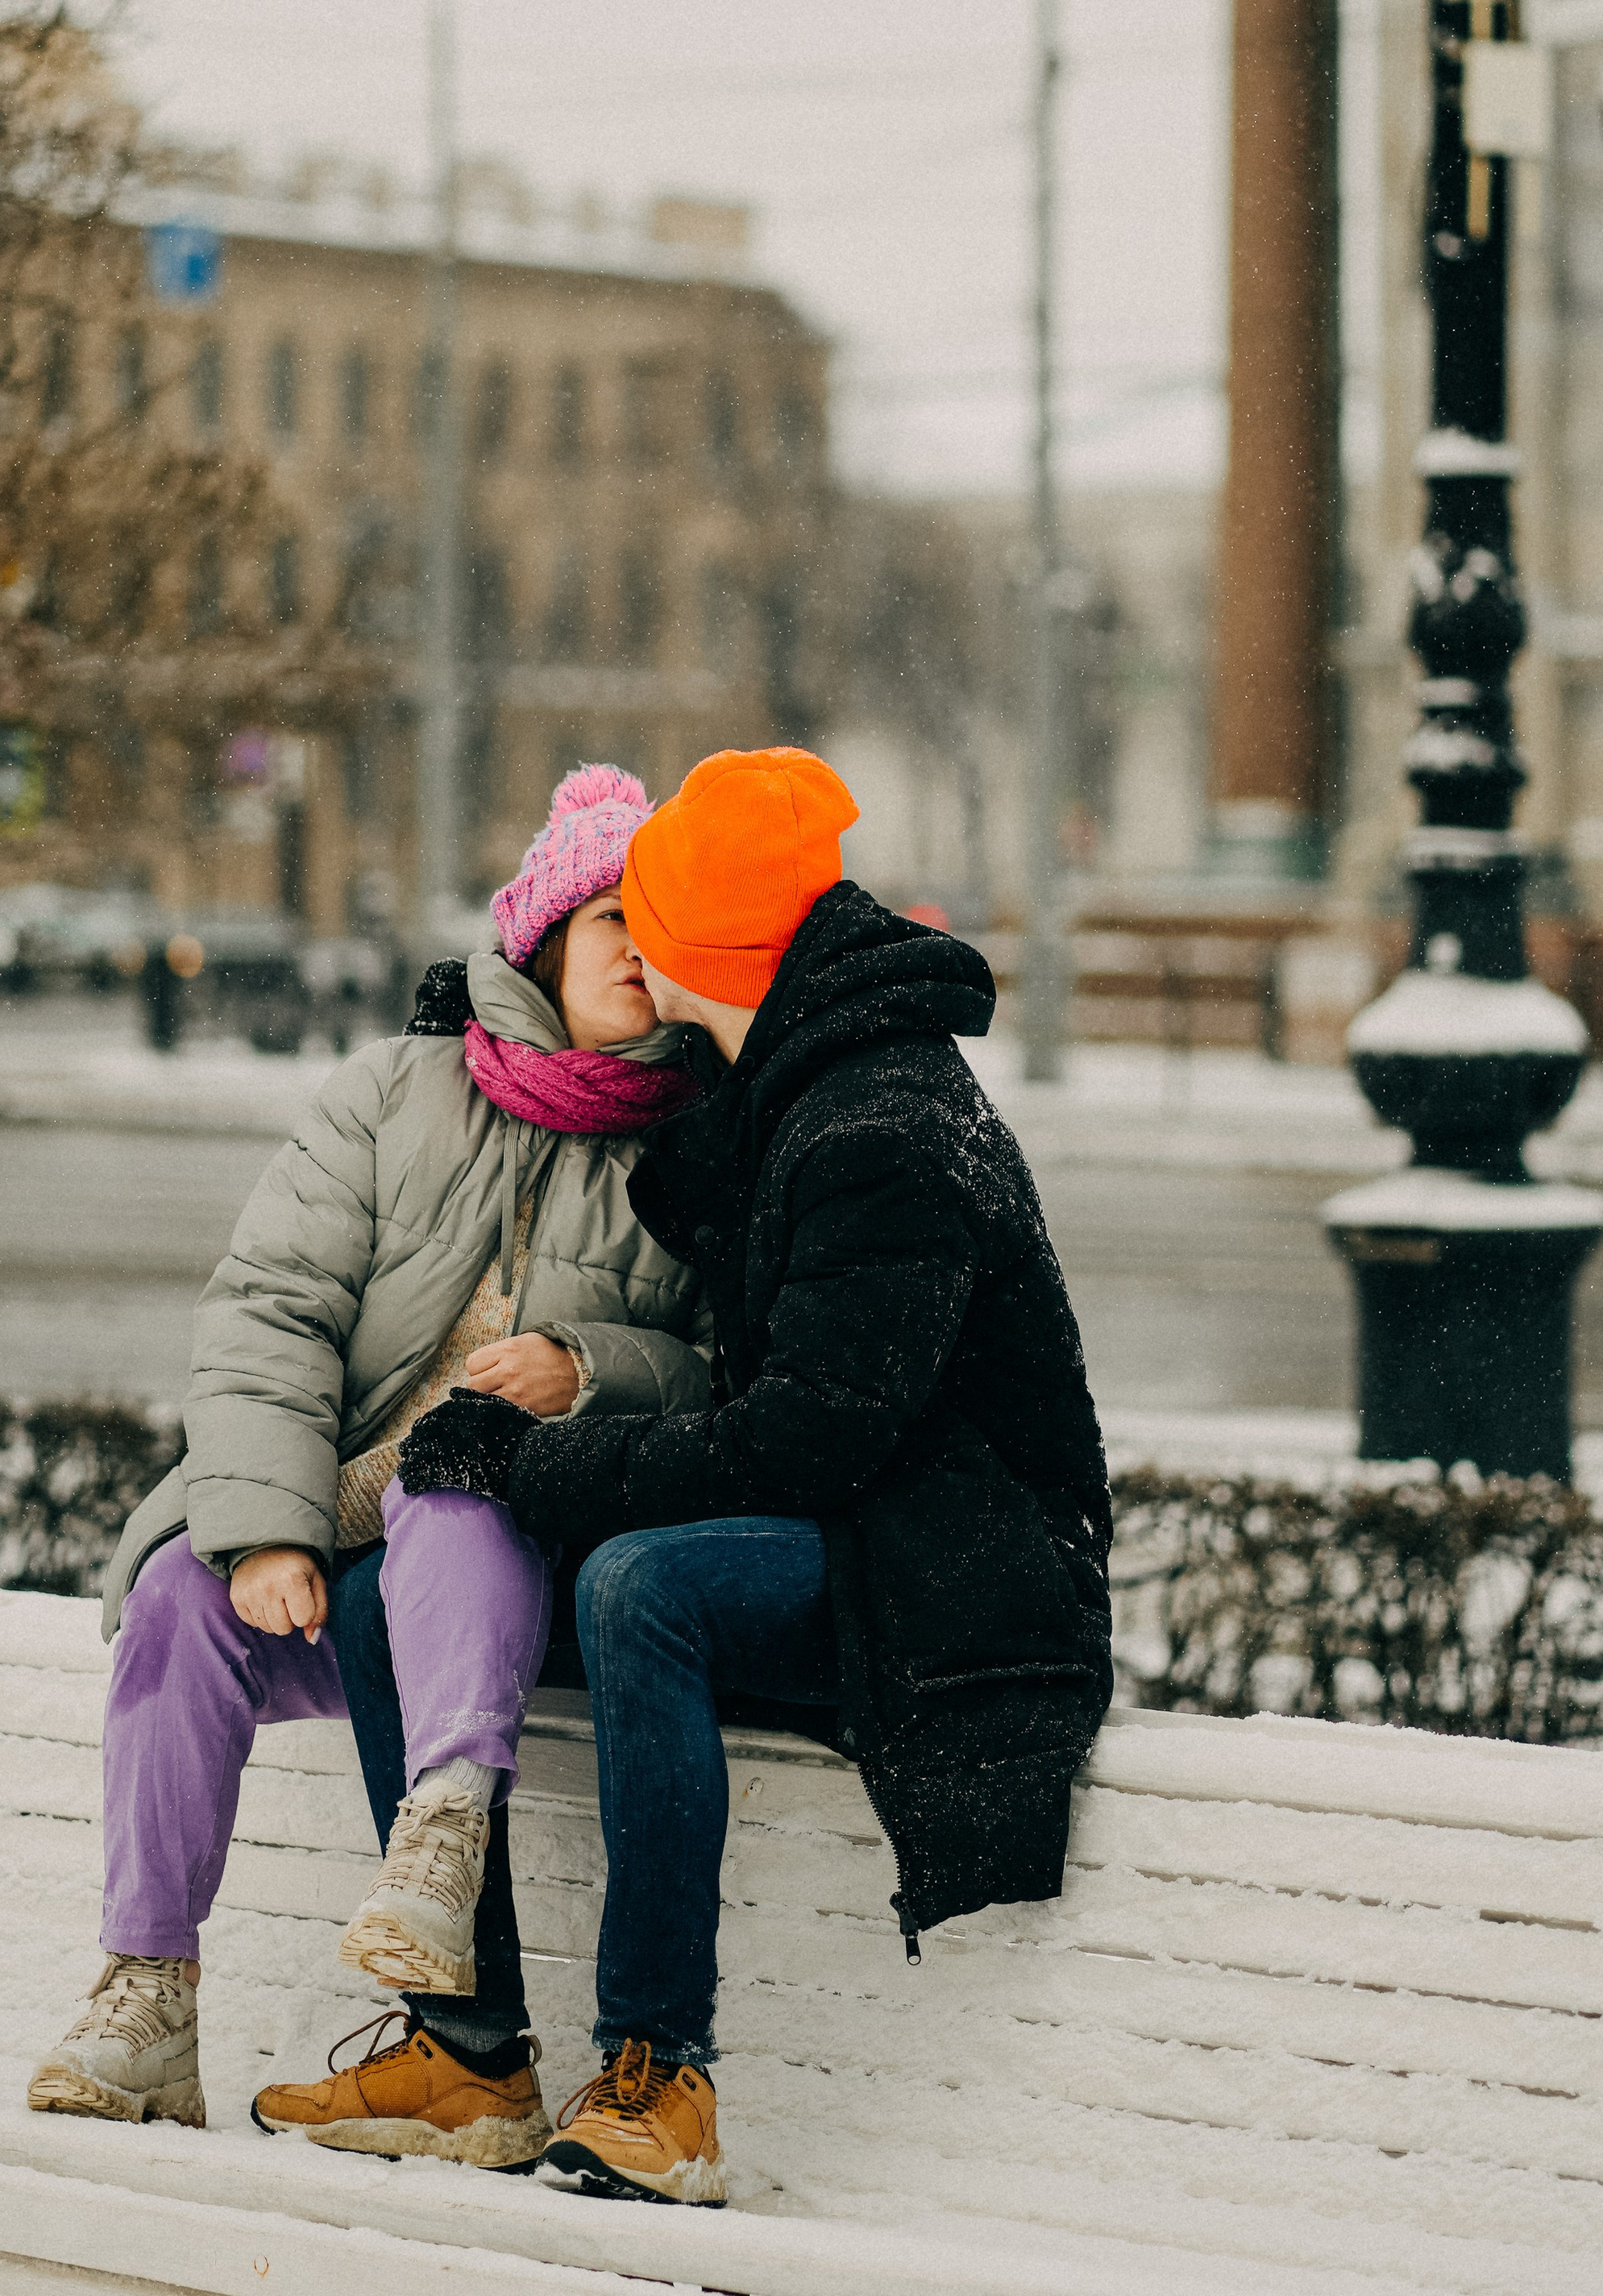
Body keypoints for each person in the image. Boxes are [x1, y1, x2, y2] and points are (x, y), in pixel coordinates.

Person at [392, 745, 1114, 2207]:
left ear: (697, 946)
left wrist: (547, 1464)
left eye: (646, 923)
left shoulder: (881, 1129)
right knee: (406, 1595)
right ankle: (463, 2044)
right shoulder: (796, 1081)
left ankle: (661, 2076)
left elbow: (807, 1437)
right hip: (877, 1527)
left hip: (964, 1572)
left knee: (644, 1583)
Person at [27, 765, 709, 2168]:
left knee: (457, 1489)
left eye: (664, 928)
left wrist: (592, 1369)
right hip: (344, 1541)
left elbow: (726, 1367)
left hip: (530, 1560)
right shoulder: (395, 1094)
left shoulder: (701, 1143)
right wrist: (270, 1533)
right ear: (538, 943)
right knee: (175, 1599)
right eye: (608, 924)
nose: (640, 954)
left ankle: (446, 1833)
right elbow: (269, 1311)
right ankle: (148, 1994)